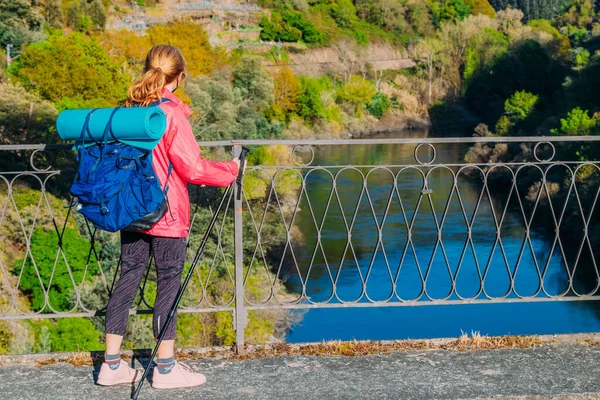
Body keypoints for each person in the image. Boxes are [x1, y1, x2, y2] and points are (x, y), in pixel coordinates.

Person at [96, 45, 240, 389]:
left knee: (127, 279)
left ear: (147, 69)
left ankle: (111, 365)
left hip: (130, 208)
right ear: (180, 78)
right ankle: (164, 369)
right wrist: (230, 170)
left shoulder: (129, 107)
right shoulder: (170, 113)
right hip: (166, 213)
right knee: (168, 284)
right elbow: (191, 167)